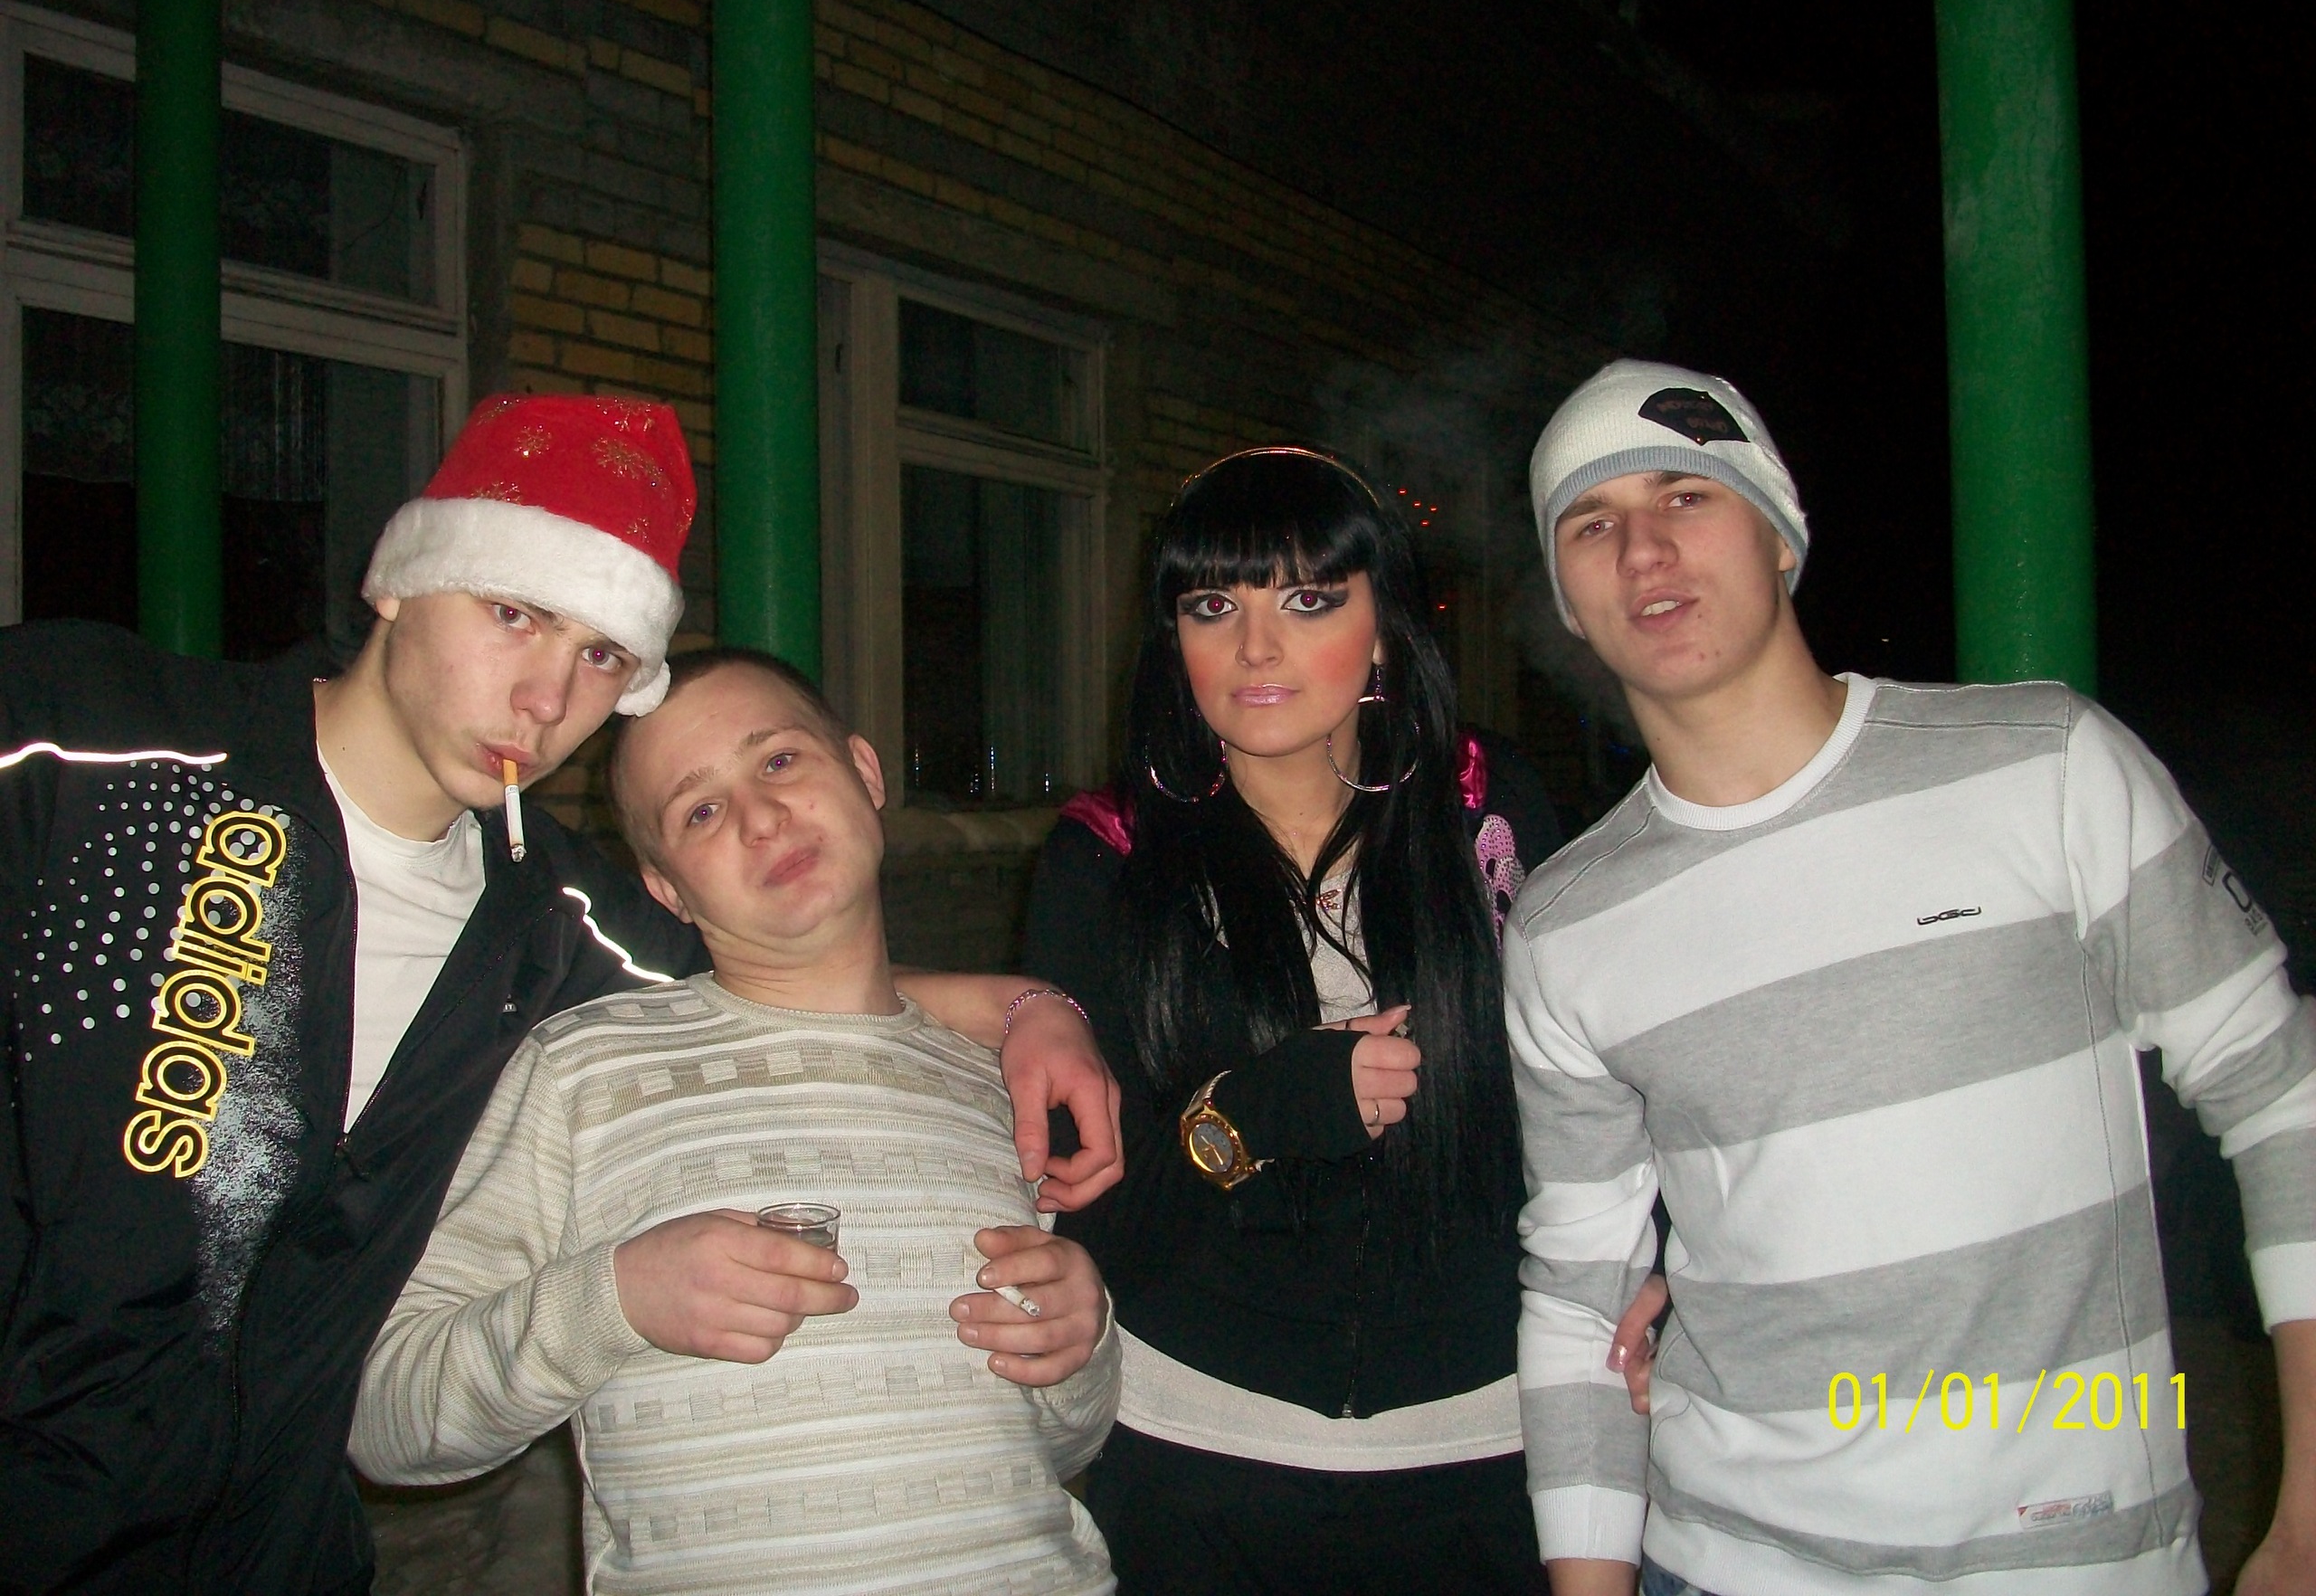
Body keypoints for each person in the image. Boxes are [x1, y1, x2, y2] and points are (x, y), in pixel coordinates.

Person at [0, 394, 1119, 1595]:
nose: (545, 701)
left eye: (599, 656)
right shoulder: (77, 739)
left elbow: (796, 981)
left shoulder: (564, 931)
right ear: (397, 582)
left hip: (273, 1551)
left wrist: (1025, 1007)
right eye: (513, 614)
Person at [1506, 359, 2316, 1596]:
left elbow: (2282, 1098)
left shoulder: (2044, 765)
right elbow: (1578, 1293)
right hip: (1722, 1564)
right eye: (1591, 524)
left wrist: (2306, 1516)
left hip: (2073, 1560)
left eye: (1687, 497)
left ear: (1780, 535)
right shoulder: (1566, 922)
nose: (1644, 550)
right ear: (1567, 598)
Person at [353, 647, 1119, 1593]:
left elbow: (1060, 1443)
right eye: (701, 812)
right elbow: (389, 1420)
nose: (761, 818)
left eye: (780, 761)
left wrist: (1080, 1346)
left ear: (865, 771)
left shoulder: (997, 1083)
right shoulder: (583, 1073)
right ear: (666, 887)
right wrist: (617, 1299)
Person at [1020, 446, 1570, 1593]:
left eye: (1309, 601)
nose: (1256, 648)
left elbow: (1591, 1105)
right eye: (1213, 606)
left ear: (1383, 630)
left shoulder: (1486, 810)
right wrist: (1258, 1112)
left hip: (1488, 1444)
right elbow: (1095, 1222)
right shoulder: (1108, 860)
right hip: (1200, 1455)